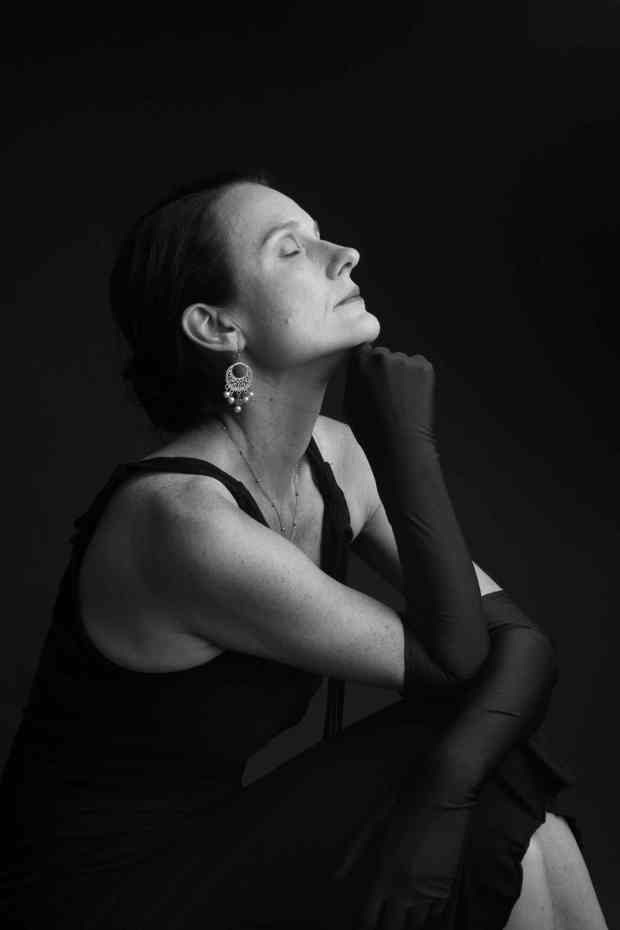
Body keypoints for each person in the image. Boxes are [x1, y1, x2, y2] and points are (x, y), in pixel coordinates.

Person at [0, 170, 609, 930]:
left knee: (490, 784)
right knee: (468, 757)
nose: (343, 254)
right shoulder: (183, 521)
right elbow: (459, 661)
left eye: (321, 237)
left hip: (209, 844)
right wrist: (410, 452)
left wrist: (444, 795)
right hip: (91, 897)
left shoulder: (335, 456)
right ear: (217, 327)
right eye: (291, 249)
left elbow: (519, 644)